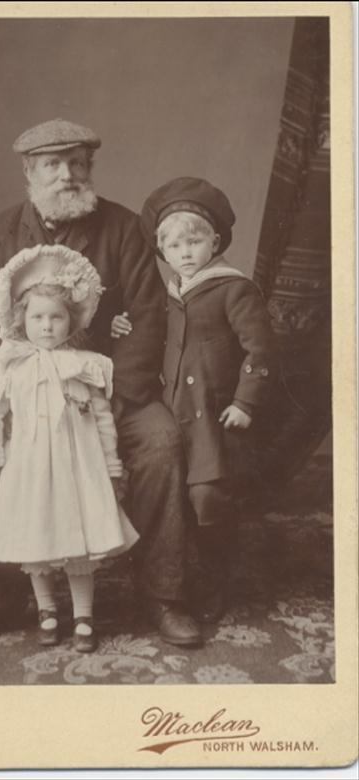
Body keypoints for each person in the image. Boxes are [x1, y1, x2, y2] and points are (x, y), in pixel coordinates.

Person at [0, 119, 202, 648]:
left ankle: (164, 594)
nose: (67, 176)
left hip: (99, 387)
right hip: (19, 387)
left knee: (161, 440)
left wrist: (111, 394)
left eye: (77, 163)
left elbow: (148, 315)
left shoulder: (122, 229)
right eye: (52, 165)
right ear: (29, 172)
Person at [112, 177, 278, 623]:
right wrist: (122, 327)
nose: (186, 252)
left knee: (209, 496)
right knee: (174, 494)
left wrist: (246, 402)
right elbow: (151, 331)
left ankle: (216, 575)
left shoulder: (232, 289)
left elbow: (260, 350)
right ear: (162, 252)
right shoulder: (165, 294)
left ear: (215, 241)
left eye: (196, 240)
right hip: (172, 411)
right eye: (174, 245)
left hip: (214, 414)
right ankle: (171, 575)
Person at [0, 244, 138, 652]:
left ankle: (84, 616)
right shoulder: (8, 366)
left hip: (77, 466)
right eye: (37, 317)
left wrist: (112, 466)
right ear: (21, 320)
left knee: (79, 541)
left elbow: (102, 417)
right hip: (28, 466)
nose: (47, 326)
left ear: (71, 322)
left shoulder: (83, 365)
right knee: (37, 538)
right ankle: (47, 609)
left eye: (56, 318)